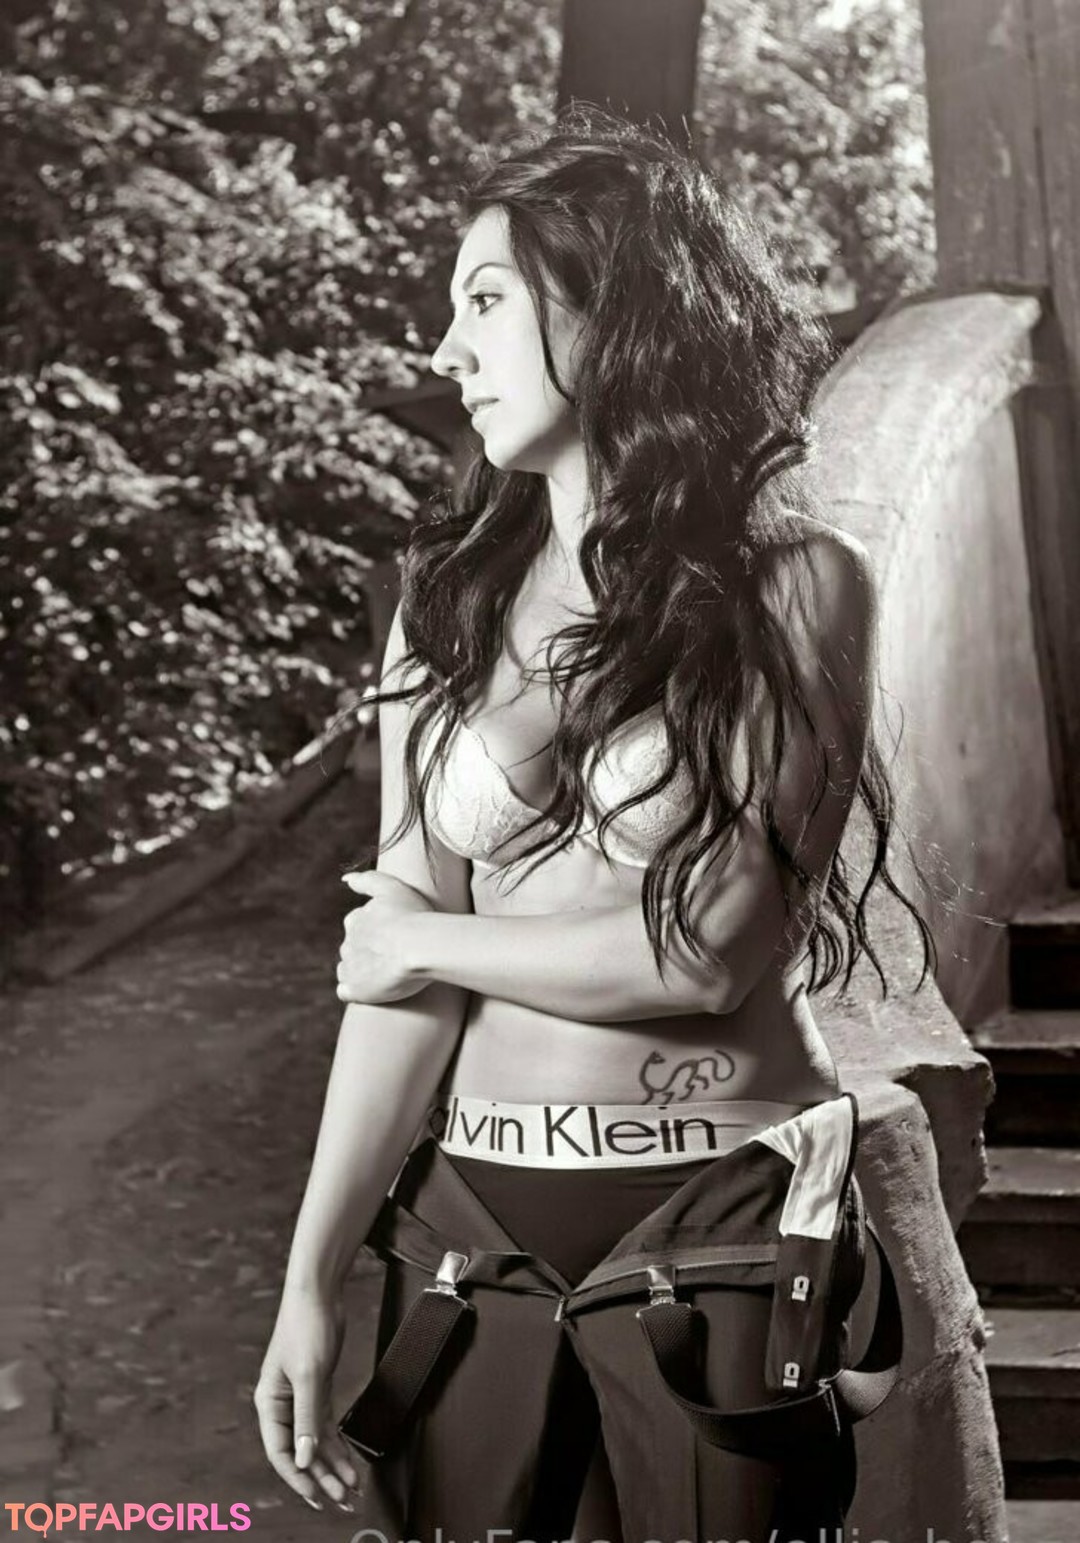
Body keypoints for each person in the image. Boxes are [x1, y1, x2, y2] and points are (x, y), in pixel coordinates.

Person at [254, 112, 933, 1542]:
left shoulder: (795, 586)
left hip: (721, 1215)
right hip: (472, 1235)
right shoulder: (442, 607)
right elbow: (395, 997)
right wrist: (311, 1276)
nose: (447, 350)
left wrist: (425, 939)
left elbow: (707, 954)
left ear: (612, 306)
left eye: (485, 300)